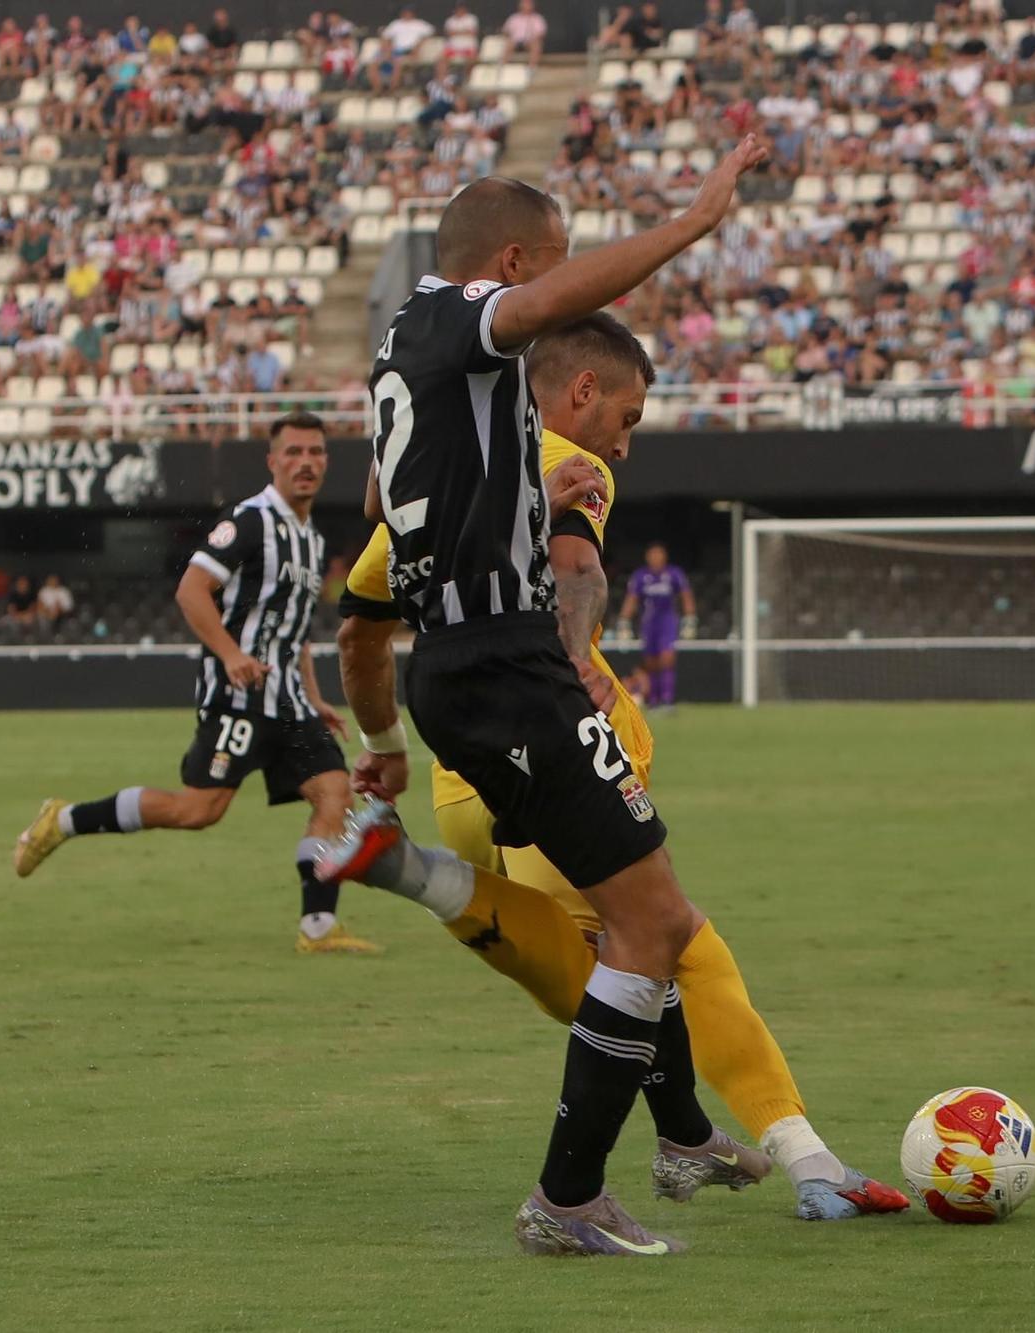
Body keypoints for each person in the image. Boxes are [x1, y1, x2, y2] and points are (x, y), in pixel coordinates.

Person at [335, 313, 906, 1225]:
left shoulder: (433, 478)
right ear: (581, 391)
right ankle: (801, 1157)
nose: (625, 447)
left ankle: (427, 876)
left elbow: (359, 628)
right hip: (550, 729)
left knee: (594, 966)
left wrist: (381, 749)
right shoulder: (571, 456)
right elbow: (576, 565)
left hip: (454, 763)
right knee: (670, 938)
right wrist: (569, 655)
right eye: (629, 417)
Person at [316, 146, 774, 1257]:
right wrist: (692, 221)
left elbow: (390, 489)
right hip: (504, 665)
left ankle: (673, 1137)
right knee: (651, 921)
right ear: (509, 265)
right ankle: (567, 1198)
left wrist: (527, 482)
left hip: (464, 666)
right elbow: (560, 301)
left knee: (631, 917)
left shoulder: (401, 351)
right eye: (540, 273)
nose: (540, 300)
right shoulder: (456, 316)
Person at [12, 413, 380, 956]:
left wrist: (316, 695)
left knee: (334, 792)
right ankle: (63, 820)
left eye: (317, 452)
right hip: (237, 698)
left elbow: (293, 630)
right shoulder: (250, 521)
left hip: (290, 703)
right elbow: (191, 589)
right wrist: (231, 655)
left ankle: (318, 927)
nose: (307, 462)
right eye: (295, 452)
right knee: (198, 811)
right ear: (272, 461)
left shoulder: (310, 539)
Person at [616, 542, 696, 709]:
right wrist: (624, 620)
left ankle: (667, 699)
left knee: (667, 658)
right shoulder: (640, 576)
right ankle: (653, 700)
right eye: (653, 554)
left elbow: (686, 595)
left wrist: (690, 618)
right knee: (651, 662)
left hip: (667, 621)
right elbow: (632, 598)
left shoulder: (674, 574)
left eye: (659, 554)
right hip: (648, 622)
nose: (656, 558)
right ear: (648, 557)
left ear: (664, 556)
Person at [501, 0, 546, 67]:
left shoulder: (537, 18)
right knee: (509, 43)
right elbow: (506, 30)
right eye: (525, 4)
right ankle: (502, 67)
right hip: (515, 41)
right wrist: (508, 35)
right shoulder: (514, 18)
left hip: (529, 42)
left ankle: (531, 68)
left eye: (529, 4)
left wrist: (534, 39)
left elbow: (541, 33)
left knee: (536, 45)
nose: (527, 6)